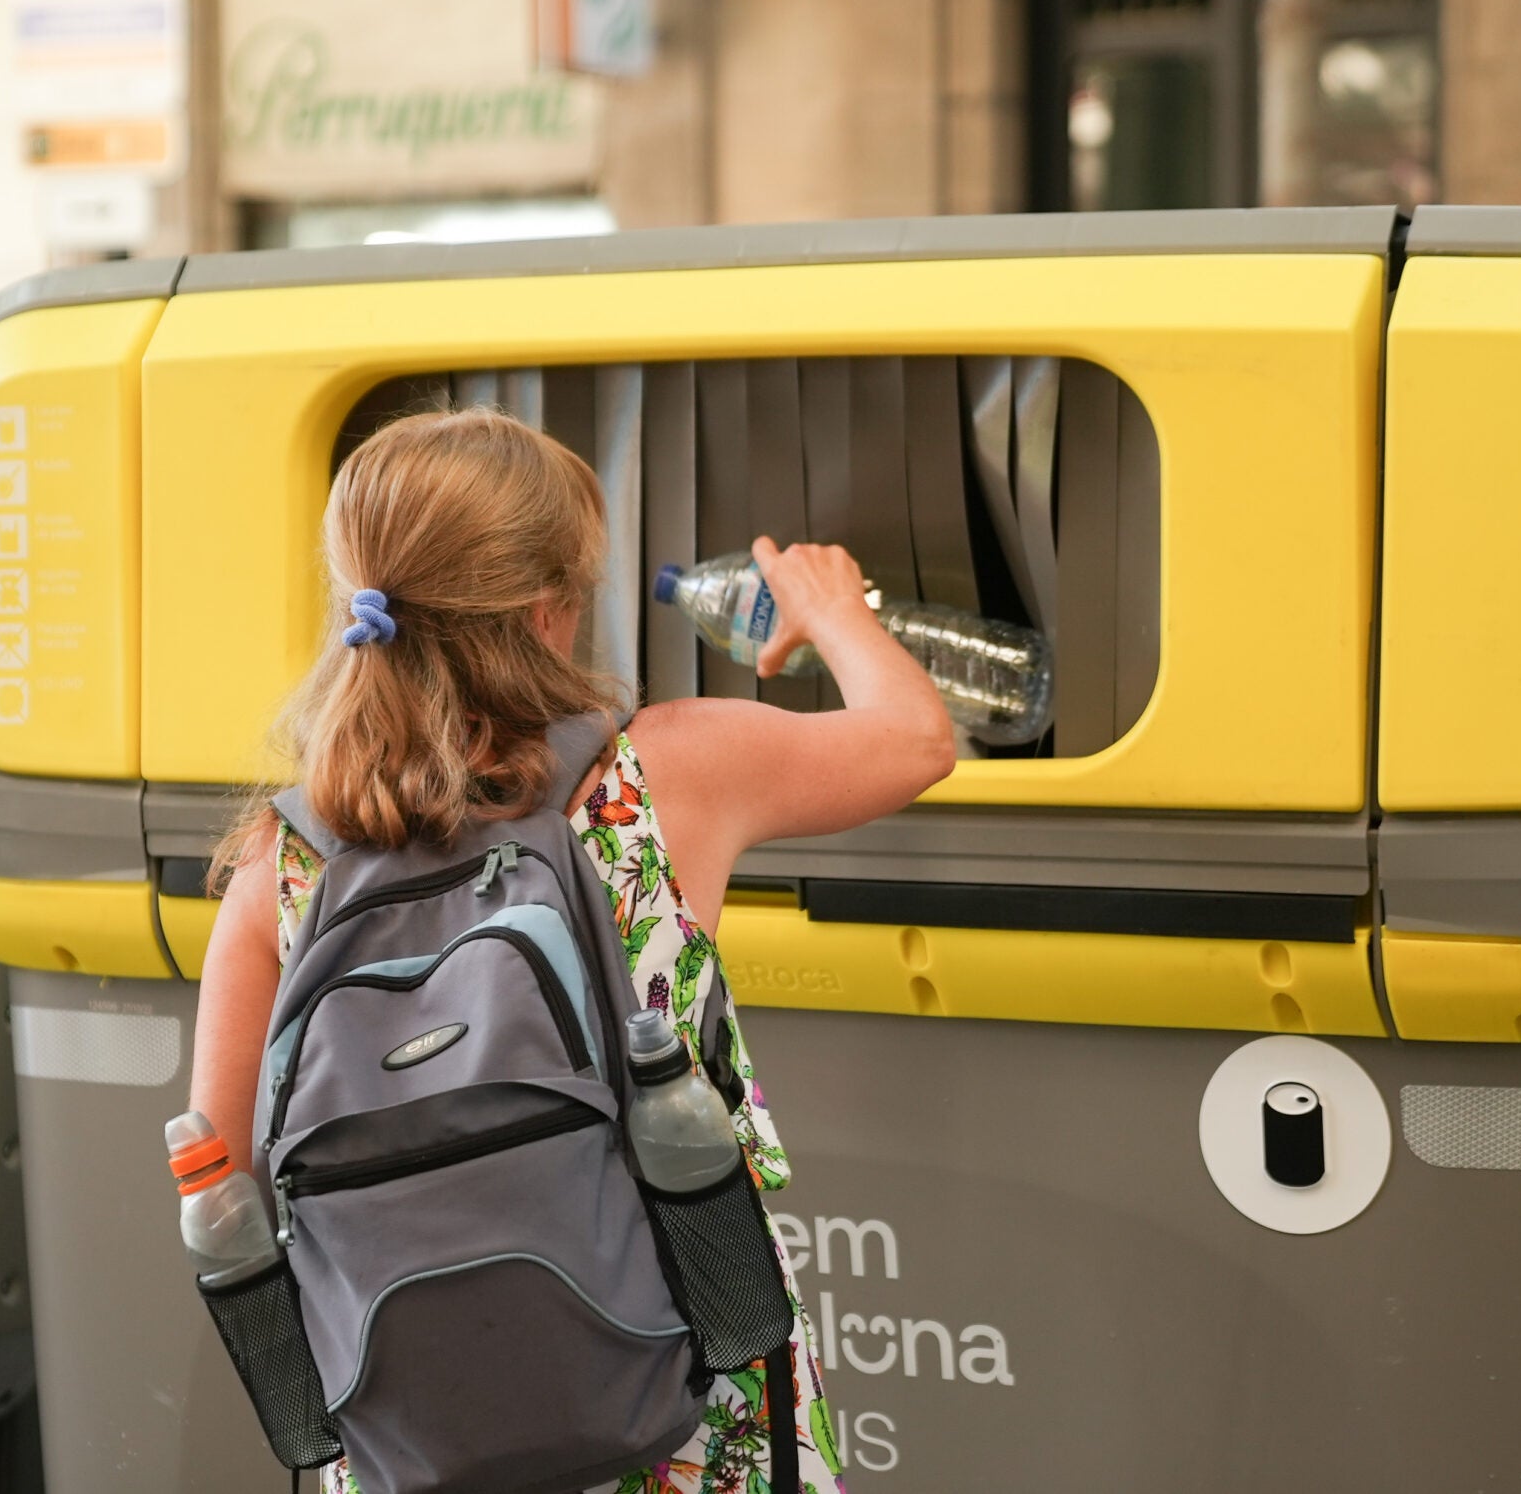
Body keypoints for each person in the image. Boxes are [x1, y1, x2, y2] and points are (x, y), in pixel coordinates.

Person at [190, 406, 957, 1493]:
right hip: (689, 1379)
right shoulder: (662, 777)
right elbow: (917, 740)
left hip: (417, 1428)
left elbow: (222, 1171)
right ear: (552, 610)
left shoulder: (283, 868)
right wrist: (830, 607)